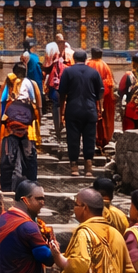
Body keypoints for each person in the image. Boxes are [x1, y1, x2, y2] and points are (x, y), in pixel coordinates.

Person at [59, 47, 104, 179]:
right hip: (90, 109)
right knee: (89, 138)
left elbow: (62, 93)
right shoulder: (94, 72)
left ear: (74, 59)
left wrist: (62, 112)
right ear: (85, 59)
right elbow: (100, 91)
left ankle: (74, 166)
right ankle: (88, 167)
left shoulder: (68, 72)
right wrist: (100, 108)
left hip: (73, 109)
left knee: (73, 138)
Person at [0, 67, 39, 190]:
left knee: (8, 157)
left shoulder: (7, 82)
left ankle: (6, 187)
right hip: (28, 125)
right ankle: (32, 185)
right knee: (30, 156)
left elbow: (2, 100)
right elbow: (36, 101)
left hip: (9, 126)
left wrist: (0, 121)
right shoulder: (32, 84)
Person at [89, 47, 116, 150]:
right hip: (103, 96)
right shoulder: (105, 66)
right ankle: (103, 139)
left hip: (90, 96)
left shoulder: (88, 64)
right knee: (103, 118)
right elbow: (109, 84)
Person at [42, 42, 65, 143]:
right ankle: (59, 131)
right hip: (56, 89)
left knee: (57, 108)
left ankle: (59, 131)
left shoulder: (57, 63)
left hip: (56, 89)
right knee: (57, 108)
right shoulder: (57, 62)